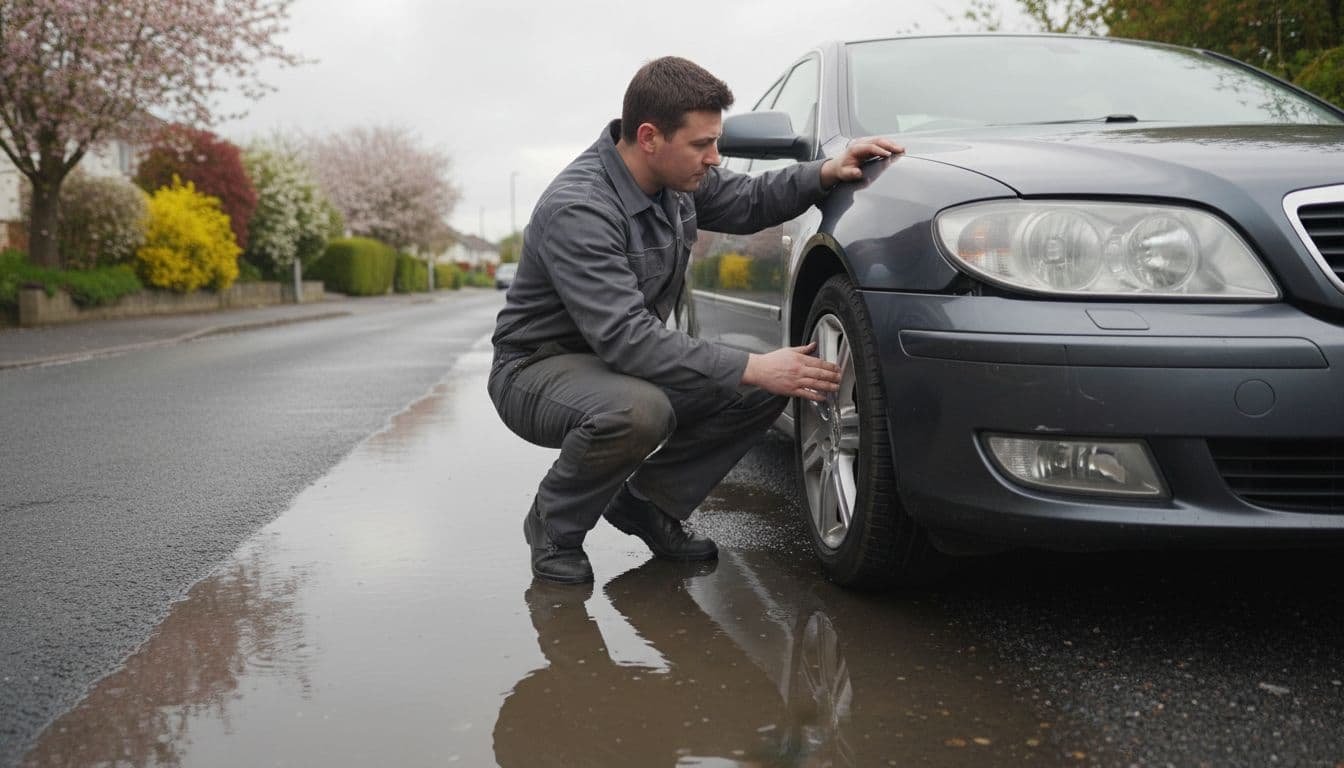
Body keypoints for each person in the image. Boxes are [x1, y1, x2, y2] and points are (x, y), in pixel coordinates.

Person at [488, 56, 902, 584]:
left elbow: (751, 199)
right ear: (649, 137)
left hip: (612, 362)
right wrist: (753, 364)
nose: (715, 157)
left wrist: (826, 171)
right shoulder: (580, 209)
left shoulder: (675, 183)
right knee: (642, 410)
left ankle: (647, 503)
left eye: (716, 141)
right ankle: (554, 526)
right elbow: (628, 340)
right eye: (702, 144)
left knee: (783, 378)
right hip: (537, 371)